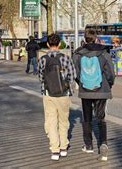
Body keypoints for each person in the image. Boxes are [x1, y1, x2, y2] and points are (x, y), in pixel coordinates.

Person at [73, 28, 115, 162]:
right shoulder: (104, 53)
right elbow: (110, 73)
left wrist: (81, 83)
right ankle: (103, 144)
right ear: (96, 38)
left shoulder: (78, 54)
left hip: (85, 90)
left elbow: (76, 72)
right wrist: (109, 84)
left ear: (85, 39)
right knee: (101, 118)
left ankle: (88, 145)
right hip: (102, 90)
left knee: (87, 118)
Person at [38, 33, 76, 161]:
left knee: (51, 122)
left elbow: (40, 78)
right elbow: (72, 76)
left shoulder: (42, 59)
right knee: (63, 121)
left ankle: (55, 150)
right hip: (64, 94)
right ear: (59, 44)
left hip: (48, 94)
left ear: (48, 44)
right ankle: (64, 147)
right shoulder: (66, 58)